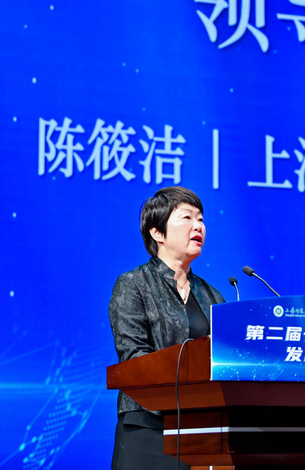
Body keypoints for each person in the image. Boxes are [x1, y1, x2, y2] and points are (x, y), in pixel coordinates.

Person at [109, 186, 225, 470]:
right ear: (157, 233)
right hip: (147, 426)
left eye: (201, 219)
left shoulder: (213, 296)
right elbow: (134, 357)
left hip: (201, 431)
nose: (198, 226)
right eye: (187, 218)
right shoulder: (133, 284)